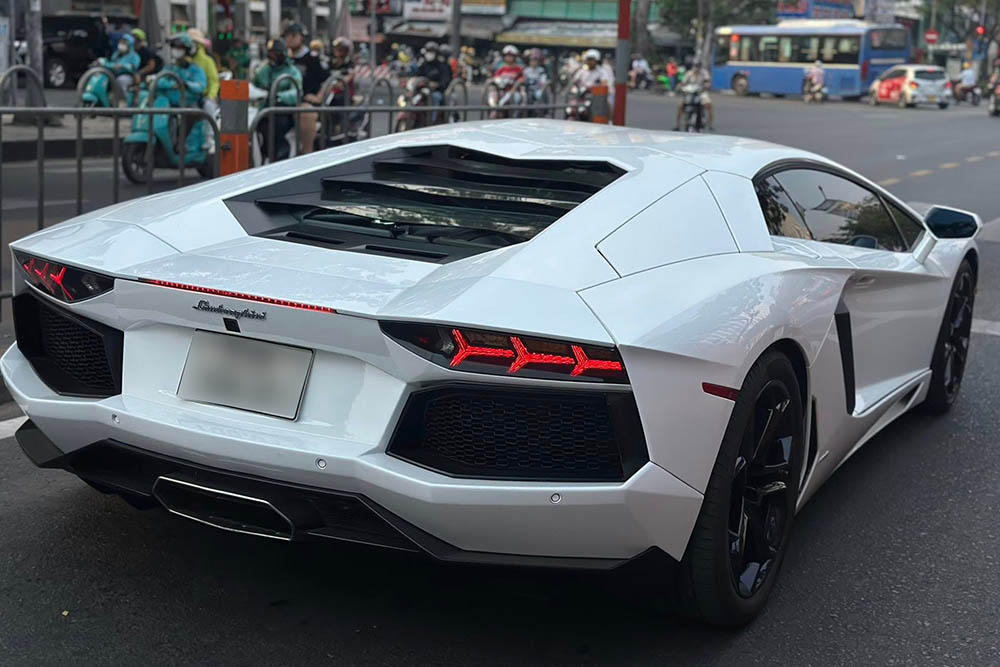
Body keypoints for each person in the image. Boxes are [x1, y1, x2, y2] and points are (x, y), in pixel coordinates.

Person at [251, 37, 303, 162]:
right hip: (265, 110)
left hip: (283, 111)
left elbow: (296, 92)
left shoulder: (292, 71)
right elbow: (254, 84)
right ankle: (266, 154)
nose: (272, 57)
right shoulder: (265, 69)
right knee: (261, 127)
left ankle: (282, 153)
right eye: (270, 54)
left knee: (277, 127)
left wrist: (279, 96)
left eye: (275, 54)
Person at [283, 23, 327, 154]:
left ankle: (307, 152)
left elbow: (328, 80)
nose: (289, 39)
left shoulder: (313, 58)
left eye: (293, 35)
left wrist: (319, 97)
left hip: (305, 103)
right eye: (286, 36)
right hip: (284, 100)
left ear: (301, 37)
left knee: (306, 113)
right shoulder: (284, 58)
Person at [187, 28, 220, 151]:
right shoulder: (184, 61)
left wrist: (211, 95)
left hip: (203, 96)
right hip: (187, 96)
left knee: (208, 107)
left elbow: (214, 81)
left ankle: (209, 137)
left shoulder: (207, 61)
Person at [161, 34, 207, 108]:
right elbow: (159, 80)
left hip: (189, 106)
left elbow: (201, 86)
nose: (176, 50)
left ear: (187, 50)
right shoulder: (170, 68)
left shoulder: (195, 69)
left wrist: (186, 85)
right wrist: (172, 85)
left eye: (179, 48)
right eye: (174, 47)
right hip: (169, 105)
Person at [674, 61, 713, 130]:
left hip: (701, 92)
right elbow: (683, 82)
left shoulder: (704, 73)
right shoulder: (689, 73)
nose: (697, 68)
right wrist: (679, 86)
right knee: (680, 106)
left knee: (709, 105)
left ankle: (710, 124)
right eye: (695, 66)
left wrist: (707, 85)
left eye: (698, 66)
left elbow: (707, 82)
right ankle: (678, 125)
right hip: (690, 93)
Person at [106, 34, 140, 102]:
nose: (121, 45)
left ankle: (123, 101)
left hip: (128, 76)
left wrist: (123, 66)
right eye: (121, 42)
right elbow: (111, 63)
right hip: (114, 75)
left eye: (124, 43)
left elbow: (133, 66)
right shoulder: (116, 54)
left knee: (121, 80)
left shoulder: (134, 56)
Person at [415, 42, 451, 107]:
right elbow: (417, 76)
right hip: (422, 90)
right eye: (428, 52)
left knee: (434, 98)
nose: (429, 54)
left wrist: (437, 85)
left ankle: (431, 117)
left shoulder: (441, 66)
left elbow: (445, 81)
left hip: (436, 92)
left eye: (431, 52)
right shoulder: (423, 65)